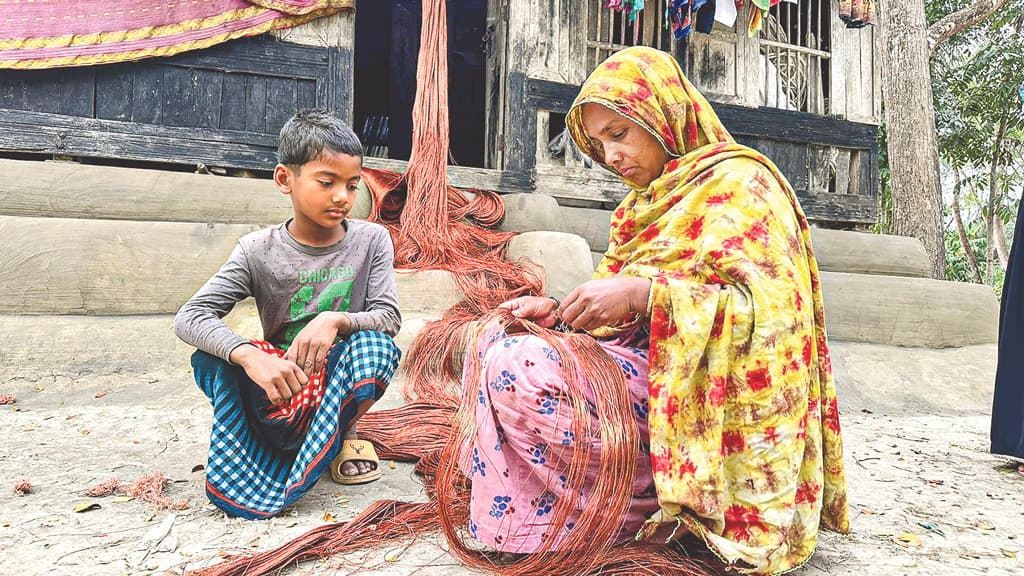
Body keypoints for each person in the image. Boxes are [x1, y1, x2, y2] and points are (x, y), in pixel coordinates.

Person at [460, 47, 848, 574]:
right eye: (599, 144)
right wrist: (557, 309)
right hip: (641, 371)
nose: (610, 156)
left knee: (517, 366)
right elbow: (612, 304)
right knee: (494, 336)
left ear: (662, 114)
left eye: (619, 133)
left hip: (697, 402)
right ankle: (538, 517)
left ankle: (645, 508)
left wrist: (648, 296)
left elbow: (778, 321)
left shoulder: (742, 187)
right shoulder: (641, 206)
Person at [174, 110, 402, 519]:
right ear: (285, 180)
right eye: (326, 182)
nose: (342, 197)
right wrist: (250, 356)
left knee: (376, 348)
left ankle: (345, 432)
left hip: (336, 379)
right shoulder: (257, 249)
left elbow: (387, 316)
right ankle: (258, 444)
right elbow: (191, 316)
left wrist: (335, 320)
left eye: (352, 185)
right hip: (280, 384)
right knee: (211, 356)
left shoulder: (372, 239)